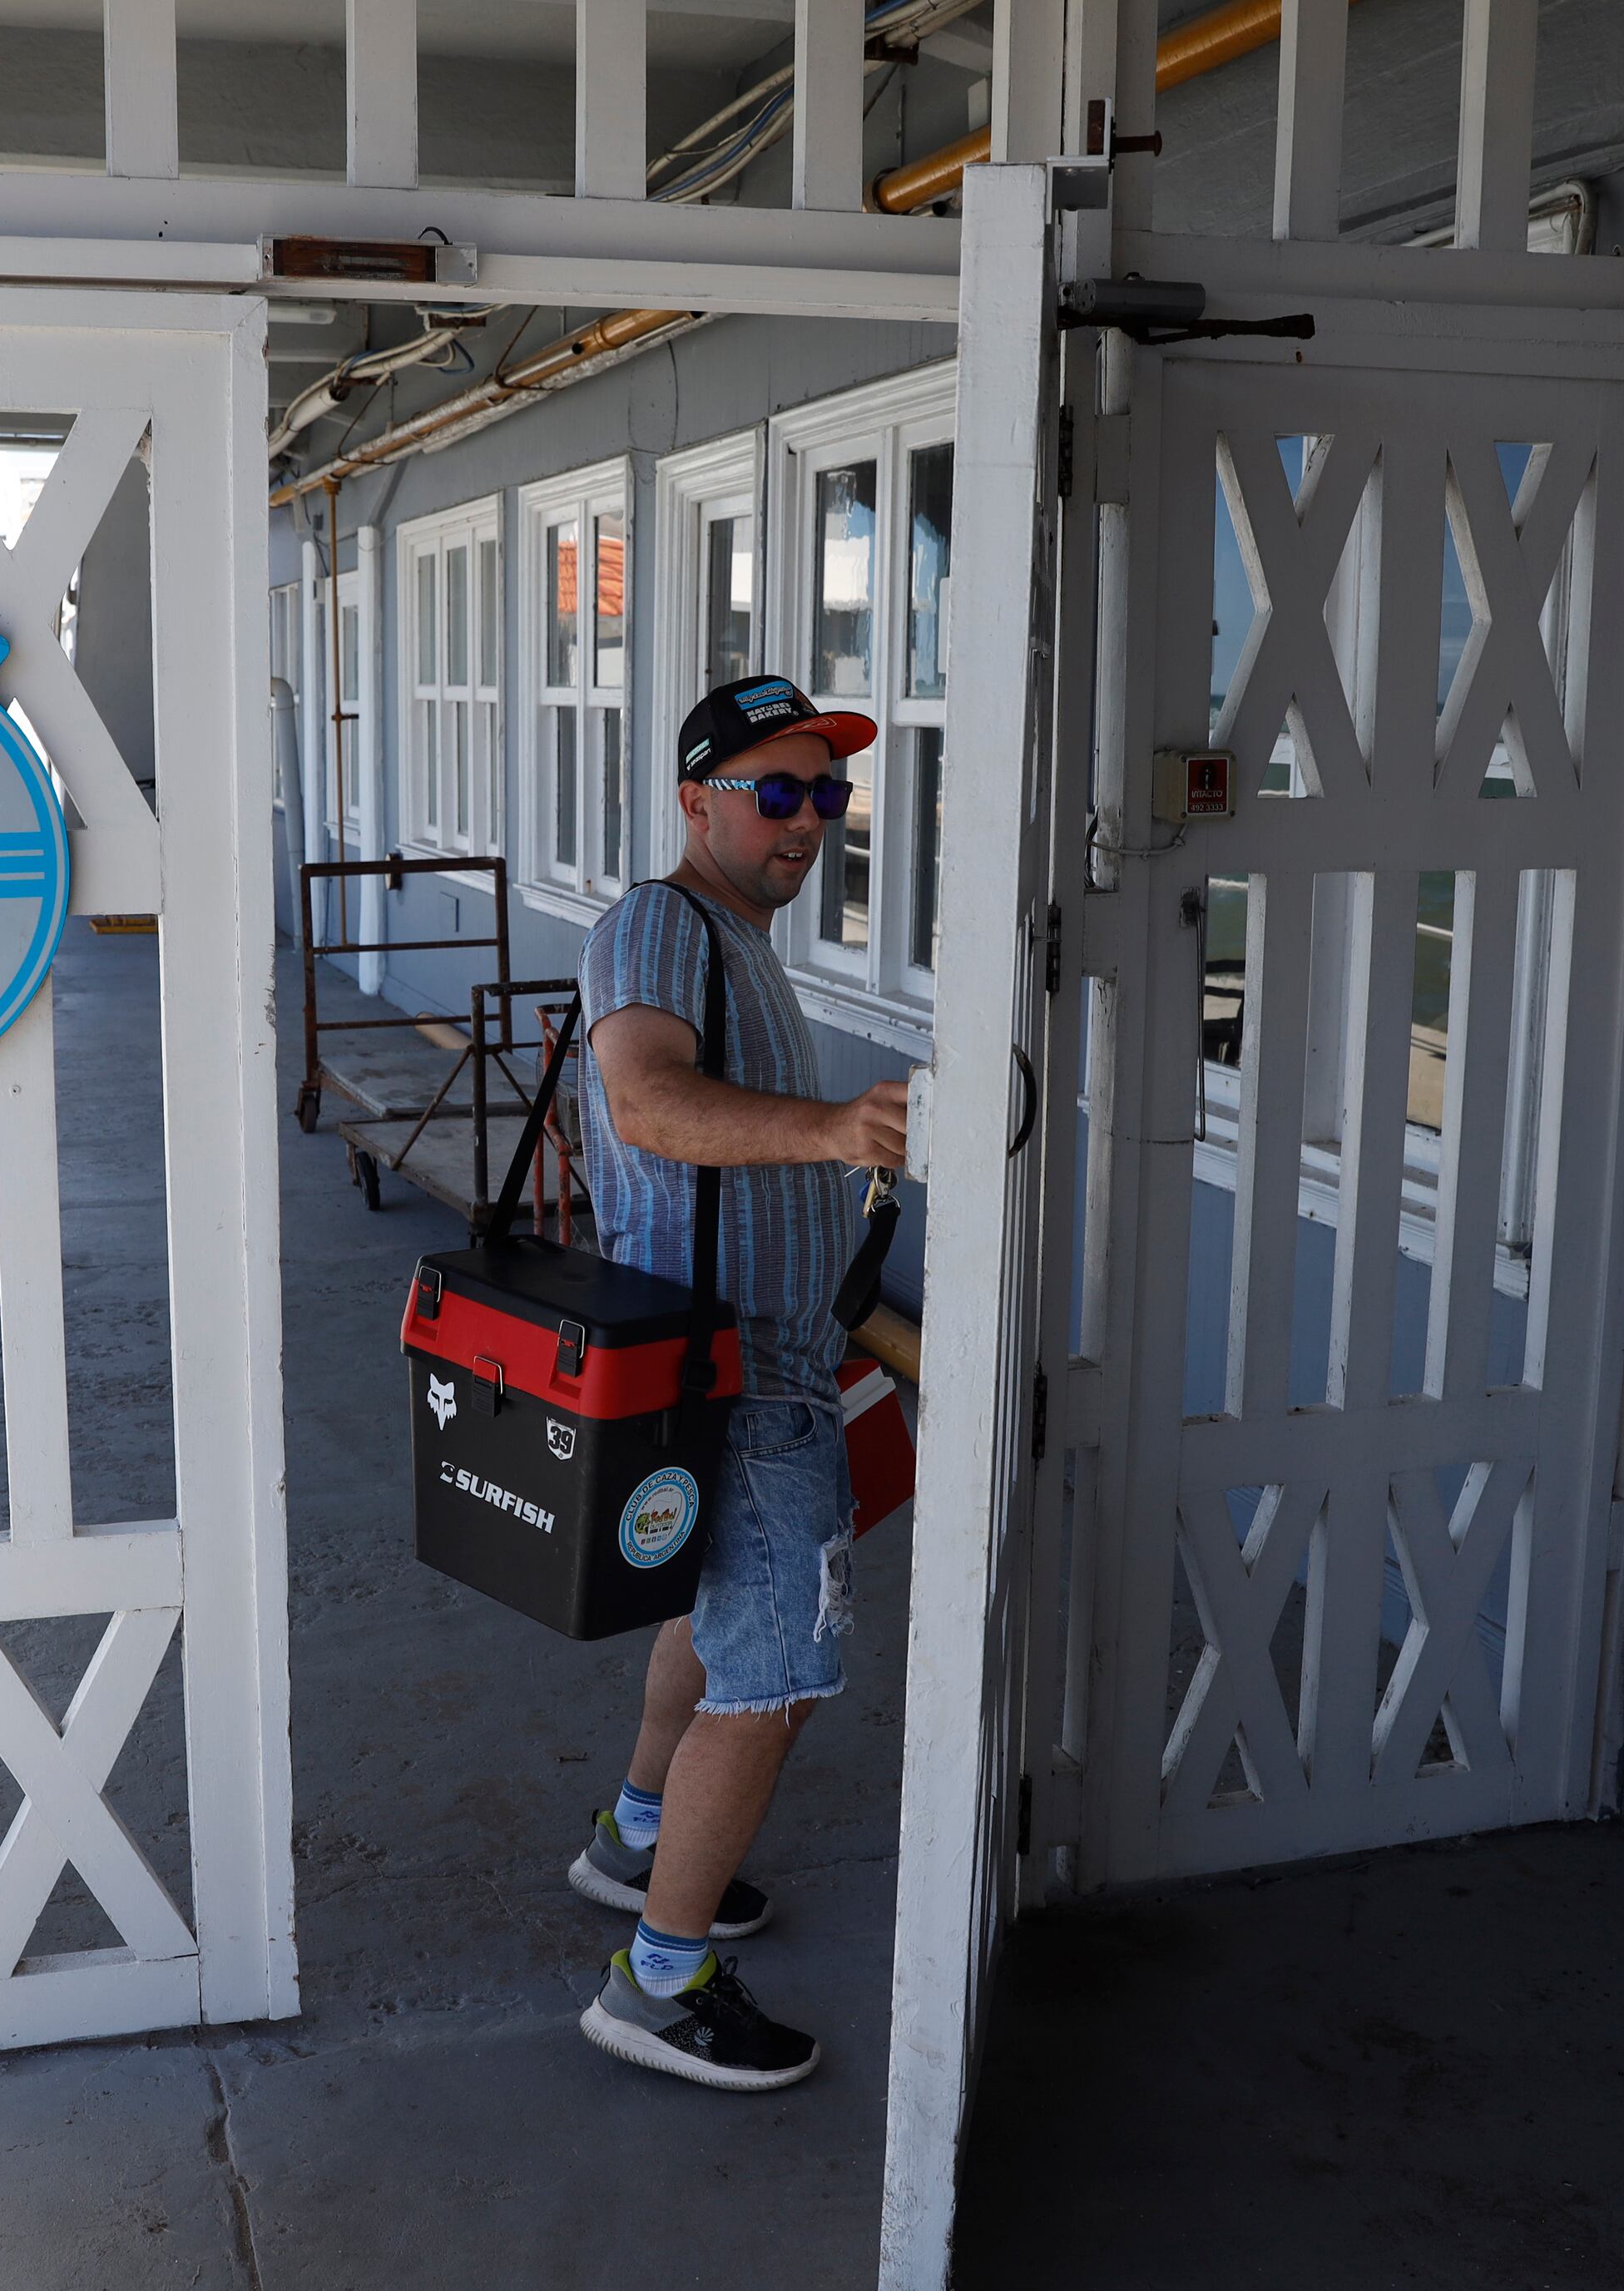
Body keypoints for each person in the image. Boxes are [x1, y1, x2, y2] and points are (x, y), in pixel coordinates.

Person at [565, 672, 910, 2093]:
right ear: (697, 797)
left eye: (827, 793)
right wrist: (833, 1124)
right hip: (733, 1368)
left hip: (745, 1355)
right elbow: (644, 1098)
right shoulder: (661, 920)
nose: (808, 818)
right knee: (777, 1671)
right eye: (777, 789)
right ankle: (657, 1979)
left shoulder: (734, 936)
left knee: (717, 1630)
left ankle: (636, 1835)